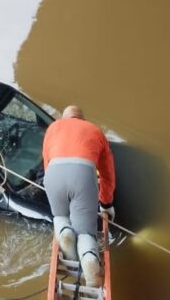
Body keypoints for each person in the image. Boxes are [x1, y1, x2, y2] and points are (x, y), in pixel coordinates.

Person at [42, 105, 116, 287]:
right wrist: (106, 203)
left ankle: (65, 232)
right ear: (82, 119)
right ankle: (90, 259)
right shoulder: (95, 130)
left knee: (59, 216)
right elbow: (107, 173)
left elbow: (46, 163)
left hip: (53, 174)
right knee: (85, 232)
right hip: (82, 174)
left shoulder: (53, 128)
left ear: (64, 118)